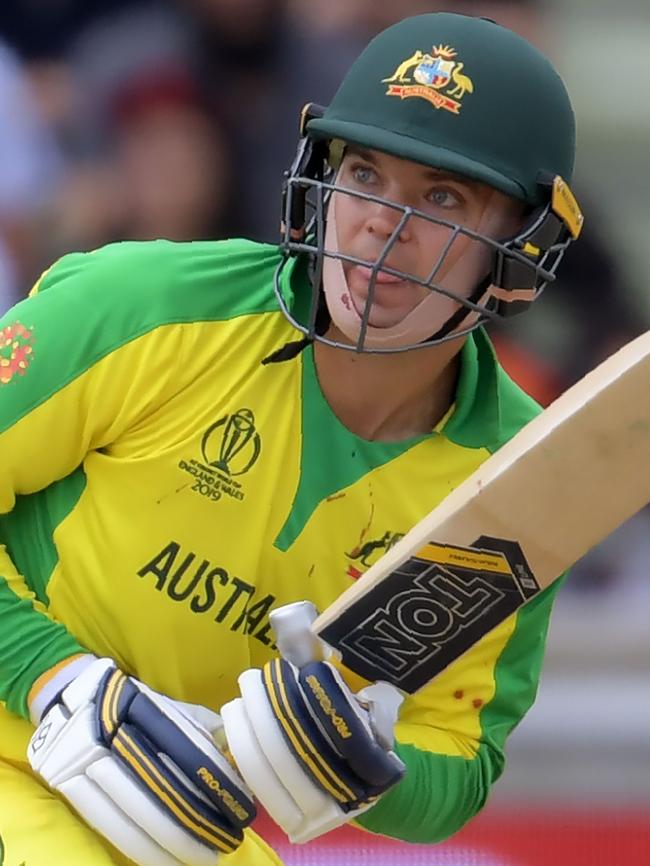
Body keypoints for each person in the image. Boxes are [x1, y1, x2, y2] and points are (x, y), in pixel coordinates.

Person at [0, 12, 583, 866]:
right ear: (321, 178)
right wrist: (55, 678)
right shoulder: (141, 306)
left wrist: (358, 760)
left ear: (521, 251)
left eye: (444, 197)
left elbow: (459, 761)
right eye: (366, 174)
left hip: (180, 824)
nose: (385, 224)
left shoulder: (518, 479)